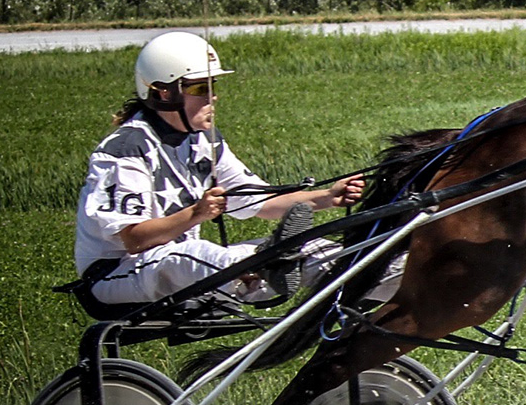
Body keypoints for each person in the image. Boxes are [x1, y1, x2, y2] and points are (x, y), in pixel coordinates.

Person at [73, 31, 364, 313]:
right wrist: (196, 214)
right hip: (114, 274)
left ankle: (382, 305)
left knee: (318, 251)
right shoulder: (126, 148)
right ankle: (265, 266)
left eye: (213, 86)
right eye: (201, 88)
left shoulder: (205, 140)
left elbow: (256, 201)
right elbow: (135, 239)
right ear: (164, 93)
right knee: (192, 255)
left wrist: (327, 196)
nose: (213, 97)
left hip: (188, 263)